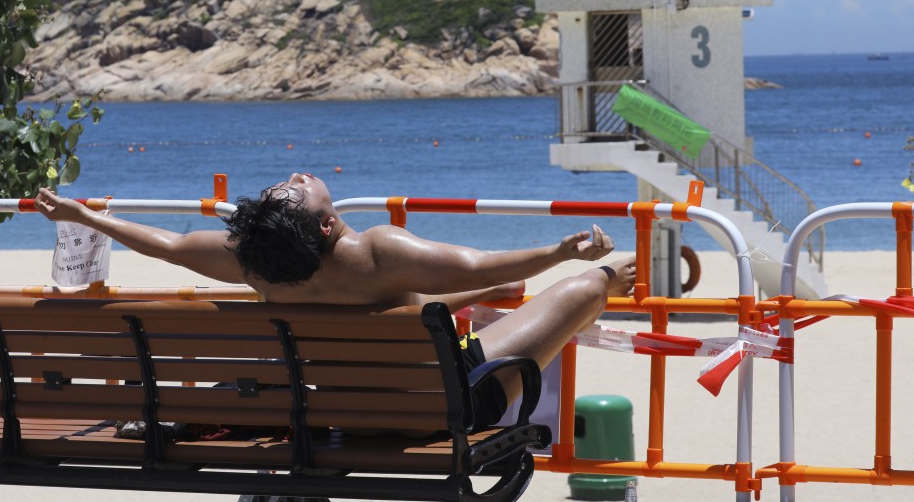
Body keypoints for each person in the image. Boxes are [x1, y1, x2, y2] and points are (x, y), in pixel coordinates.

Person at [35, 173, 635, 428]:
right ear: (325, 226)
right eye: (296, 188)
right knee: (599, 282)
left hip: (353, 413)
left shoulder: (254, 265)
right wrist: (567, 256)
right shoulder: (379, 251)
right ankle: (620, 273)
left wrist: (82, 214)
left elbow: (165, 245)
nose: (298, 177)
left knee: (446, 308)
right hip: (454, 405)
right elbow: (478, 262)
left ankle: (492, 304)